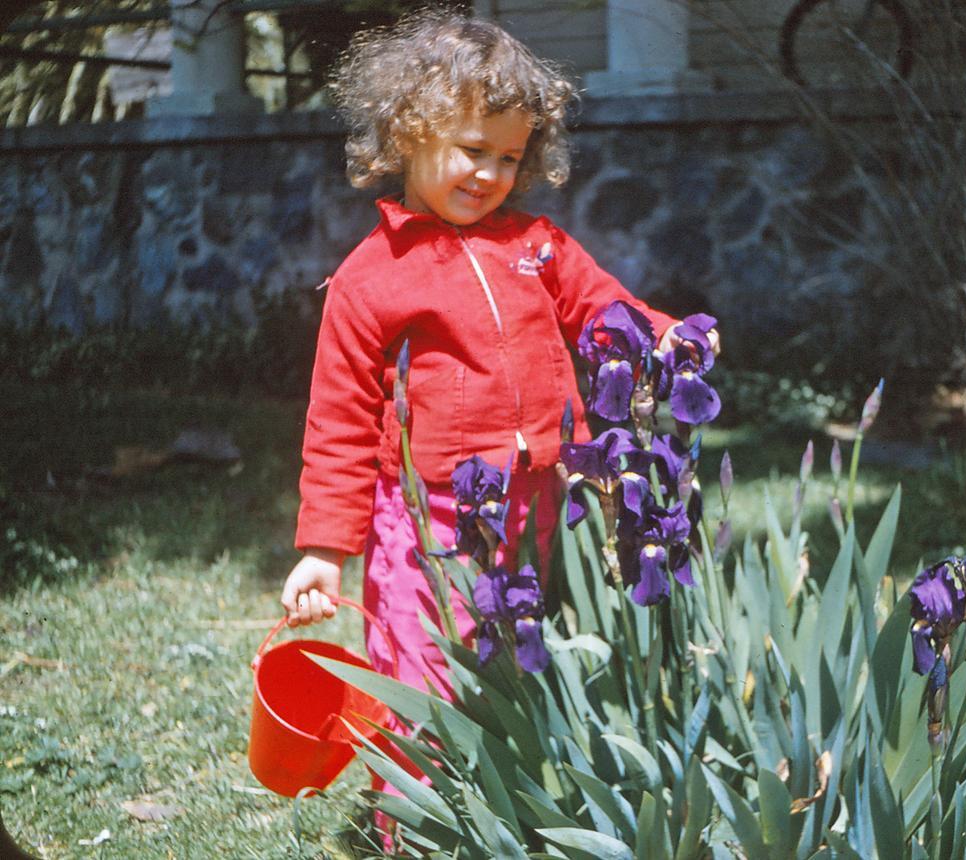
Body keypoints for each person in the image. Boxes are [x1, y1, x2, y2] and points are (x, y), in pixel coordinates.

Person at [276, 9, 716, 841]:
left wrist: (664, 334)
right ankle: (413, 818)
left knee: (524, 643)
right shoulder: (374, 277)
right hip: (428, 513)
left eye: (509, 158)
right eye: (472, 149)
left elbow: (602, 309)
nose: (489, 173)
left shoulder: (537, 246)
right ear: (409, 133)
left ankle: (512, 789)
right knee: (422, 655)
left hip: (539, 491)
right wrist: (324, 550)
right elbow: (337, 418)